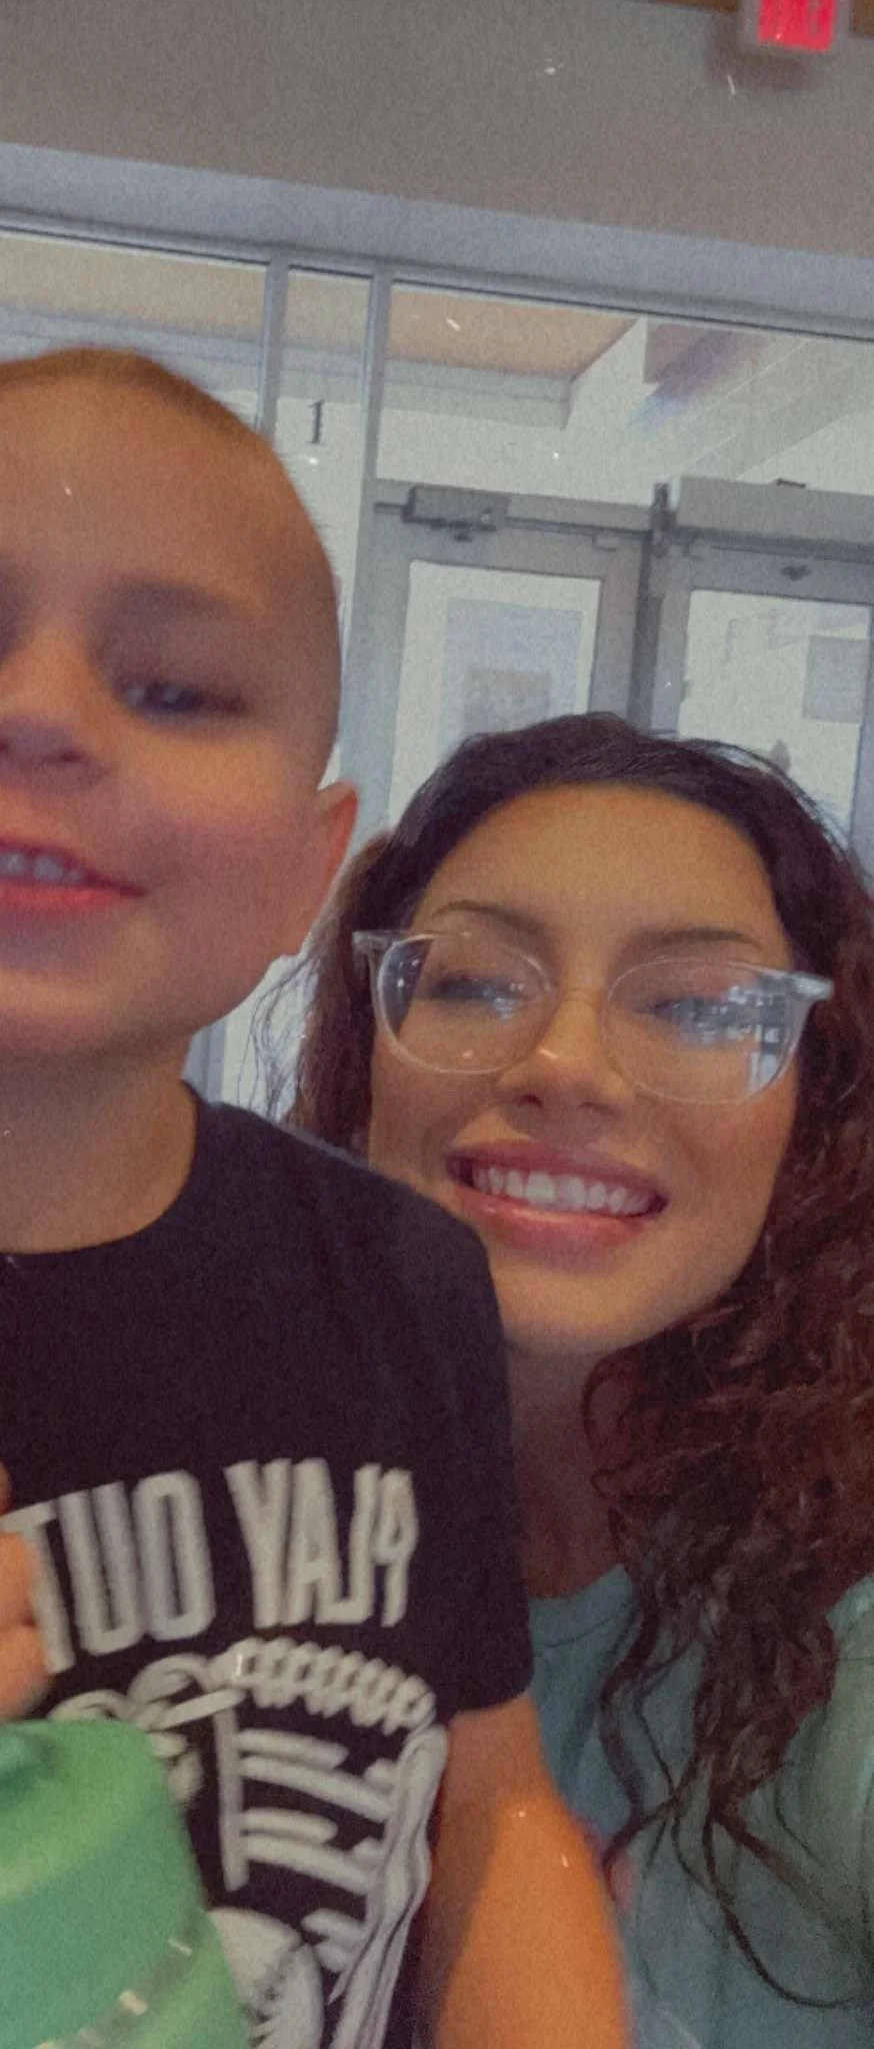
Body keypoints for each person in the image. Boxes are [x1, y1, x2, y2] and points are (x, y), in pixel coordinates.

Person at [0, 351, 626, 2049]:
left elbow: (485, 1802)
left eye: (173, 689)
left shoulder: (403, 1280)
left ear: (313, 867)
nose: (36, 716)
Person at [269, 709, 874, 2047]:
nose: (562, 1065)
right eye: (477, 982)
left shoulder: (841, 1629)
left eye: (698, 1008)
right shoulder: (239, 1529)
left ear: (812, 1105)